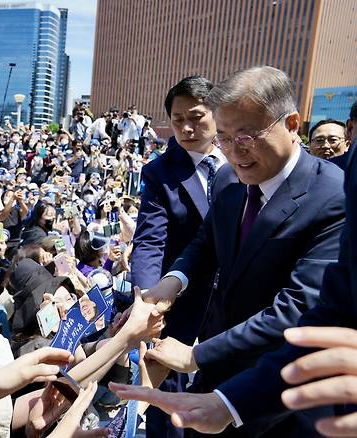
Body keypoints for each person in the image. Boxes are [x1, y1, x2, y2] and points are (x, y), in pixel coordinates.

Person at [123, 66, 346, 437]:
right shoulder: (228, 178)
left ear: (292, 124)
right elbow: (206, 243)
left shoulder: (335, 197)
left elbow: (297, 309)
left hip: (281, 390)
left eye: (246, 136)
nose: (233, 151)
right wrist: (171, 282)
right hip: (219, 371)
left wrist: (196, 355)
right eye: (224, 138)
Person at [129, 75, 231, 438]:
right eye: (177, 119)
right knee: (166, 394)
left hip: (232, 297)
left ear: (216, 114)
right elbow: (150, 240)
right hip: (178, 297)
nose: (187, 128)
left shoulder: (239, 158)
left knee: (224, 387)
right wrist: (148, 297)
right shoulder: (159, 171)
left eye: (197, 117)